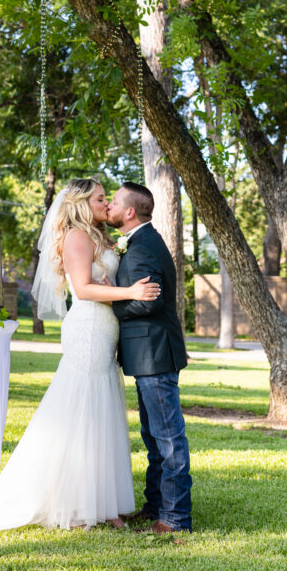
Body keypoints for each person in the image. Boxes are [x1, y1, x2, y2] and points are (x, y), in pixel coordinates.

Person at [0, 177, 160, 532]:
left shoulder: (101, 237)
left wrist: (116, 287)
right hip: (88, 328)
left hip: (106, 330)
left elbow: (101, 281)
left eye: (107, 199)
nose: (107, 205)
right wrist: (130, 291)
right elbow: (84, 289)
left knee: (101, 409)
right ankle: (75, 505)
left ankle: (103, 503)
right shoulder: (76, 237)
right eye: (101, 199)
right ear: (80, 204)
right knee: (83, 411)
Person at [107, 182, 192, 534]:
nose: (108, 206)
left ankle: (175, 519)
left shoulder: (143, 247)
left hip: (155, 352)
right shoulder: (141, 241)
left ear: (129, 212)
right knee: (153, 437)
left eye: (113, 201)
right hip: (148, 354)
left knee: (168, 438)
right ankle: (155, 505)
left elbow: (149, 300)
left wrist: (108, 303)